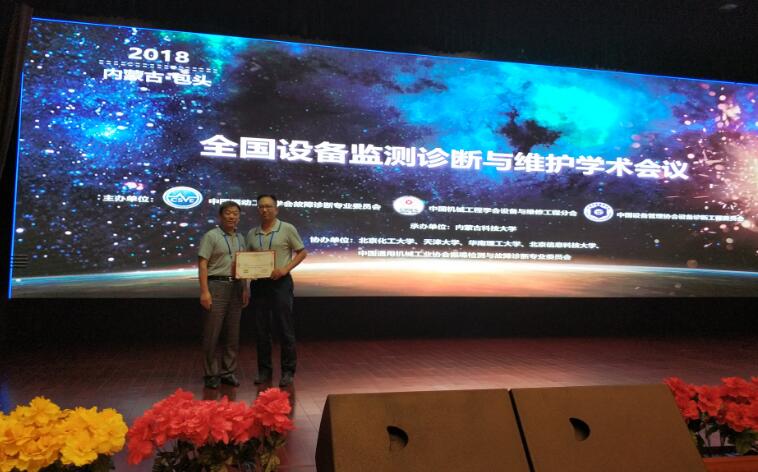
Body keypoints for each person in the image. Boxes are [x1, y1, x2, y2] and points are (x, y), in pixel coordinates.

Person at [246, 194, 307, 387]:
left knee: (284, 328)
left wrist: (285, 269)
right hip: (259, 284)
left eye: (268, 206)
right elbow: (246, 260)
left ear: (276, 209)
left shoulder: (287, 228)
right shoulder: (252, 233)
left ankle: (288, 372)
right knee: (261, 330)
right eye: (261, 207)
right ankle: (264, 371)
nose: (264, 210)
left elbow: (302, 252)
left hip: (281, 283)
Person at [197, 200, 249, 389]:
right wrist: (204, 291)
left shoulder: (241, 238)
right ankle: (211, 373)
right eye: (228, 213)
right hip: (216, 286)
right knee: (212, 333)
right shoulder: (211, 236)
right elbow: (202, 264)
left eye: (235, 213)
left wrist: (245, 288)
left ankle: (228, 372)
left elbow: (243, 265)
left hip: (236, 287)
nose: (232, 216)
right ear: (220, 216)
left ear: (239, 217)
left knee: (232, 334)